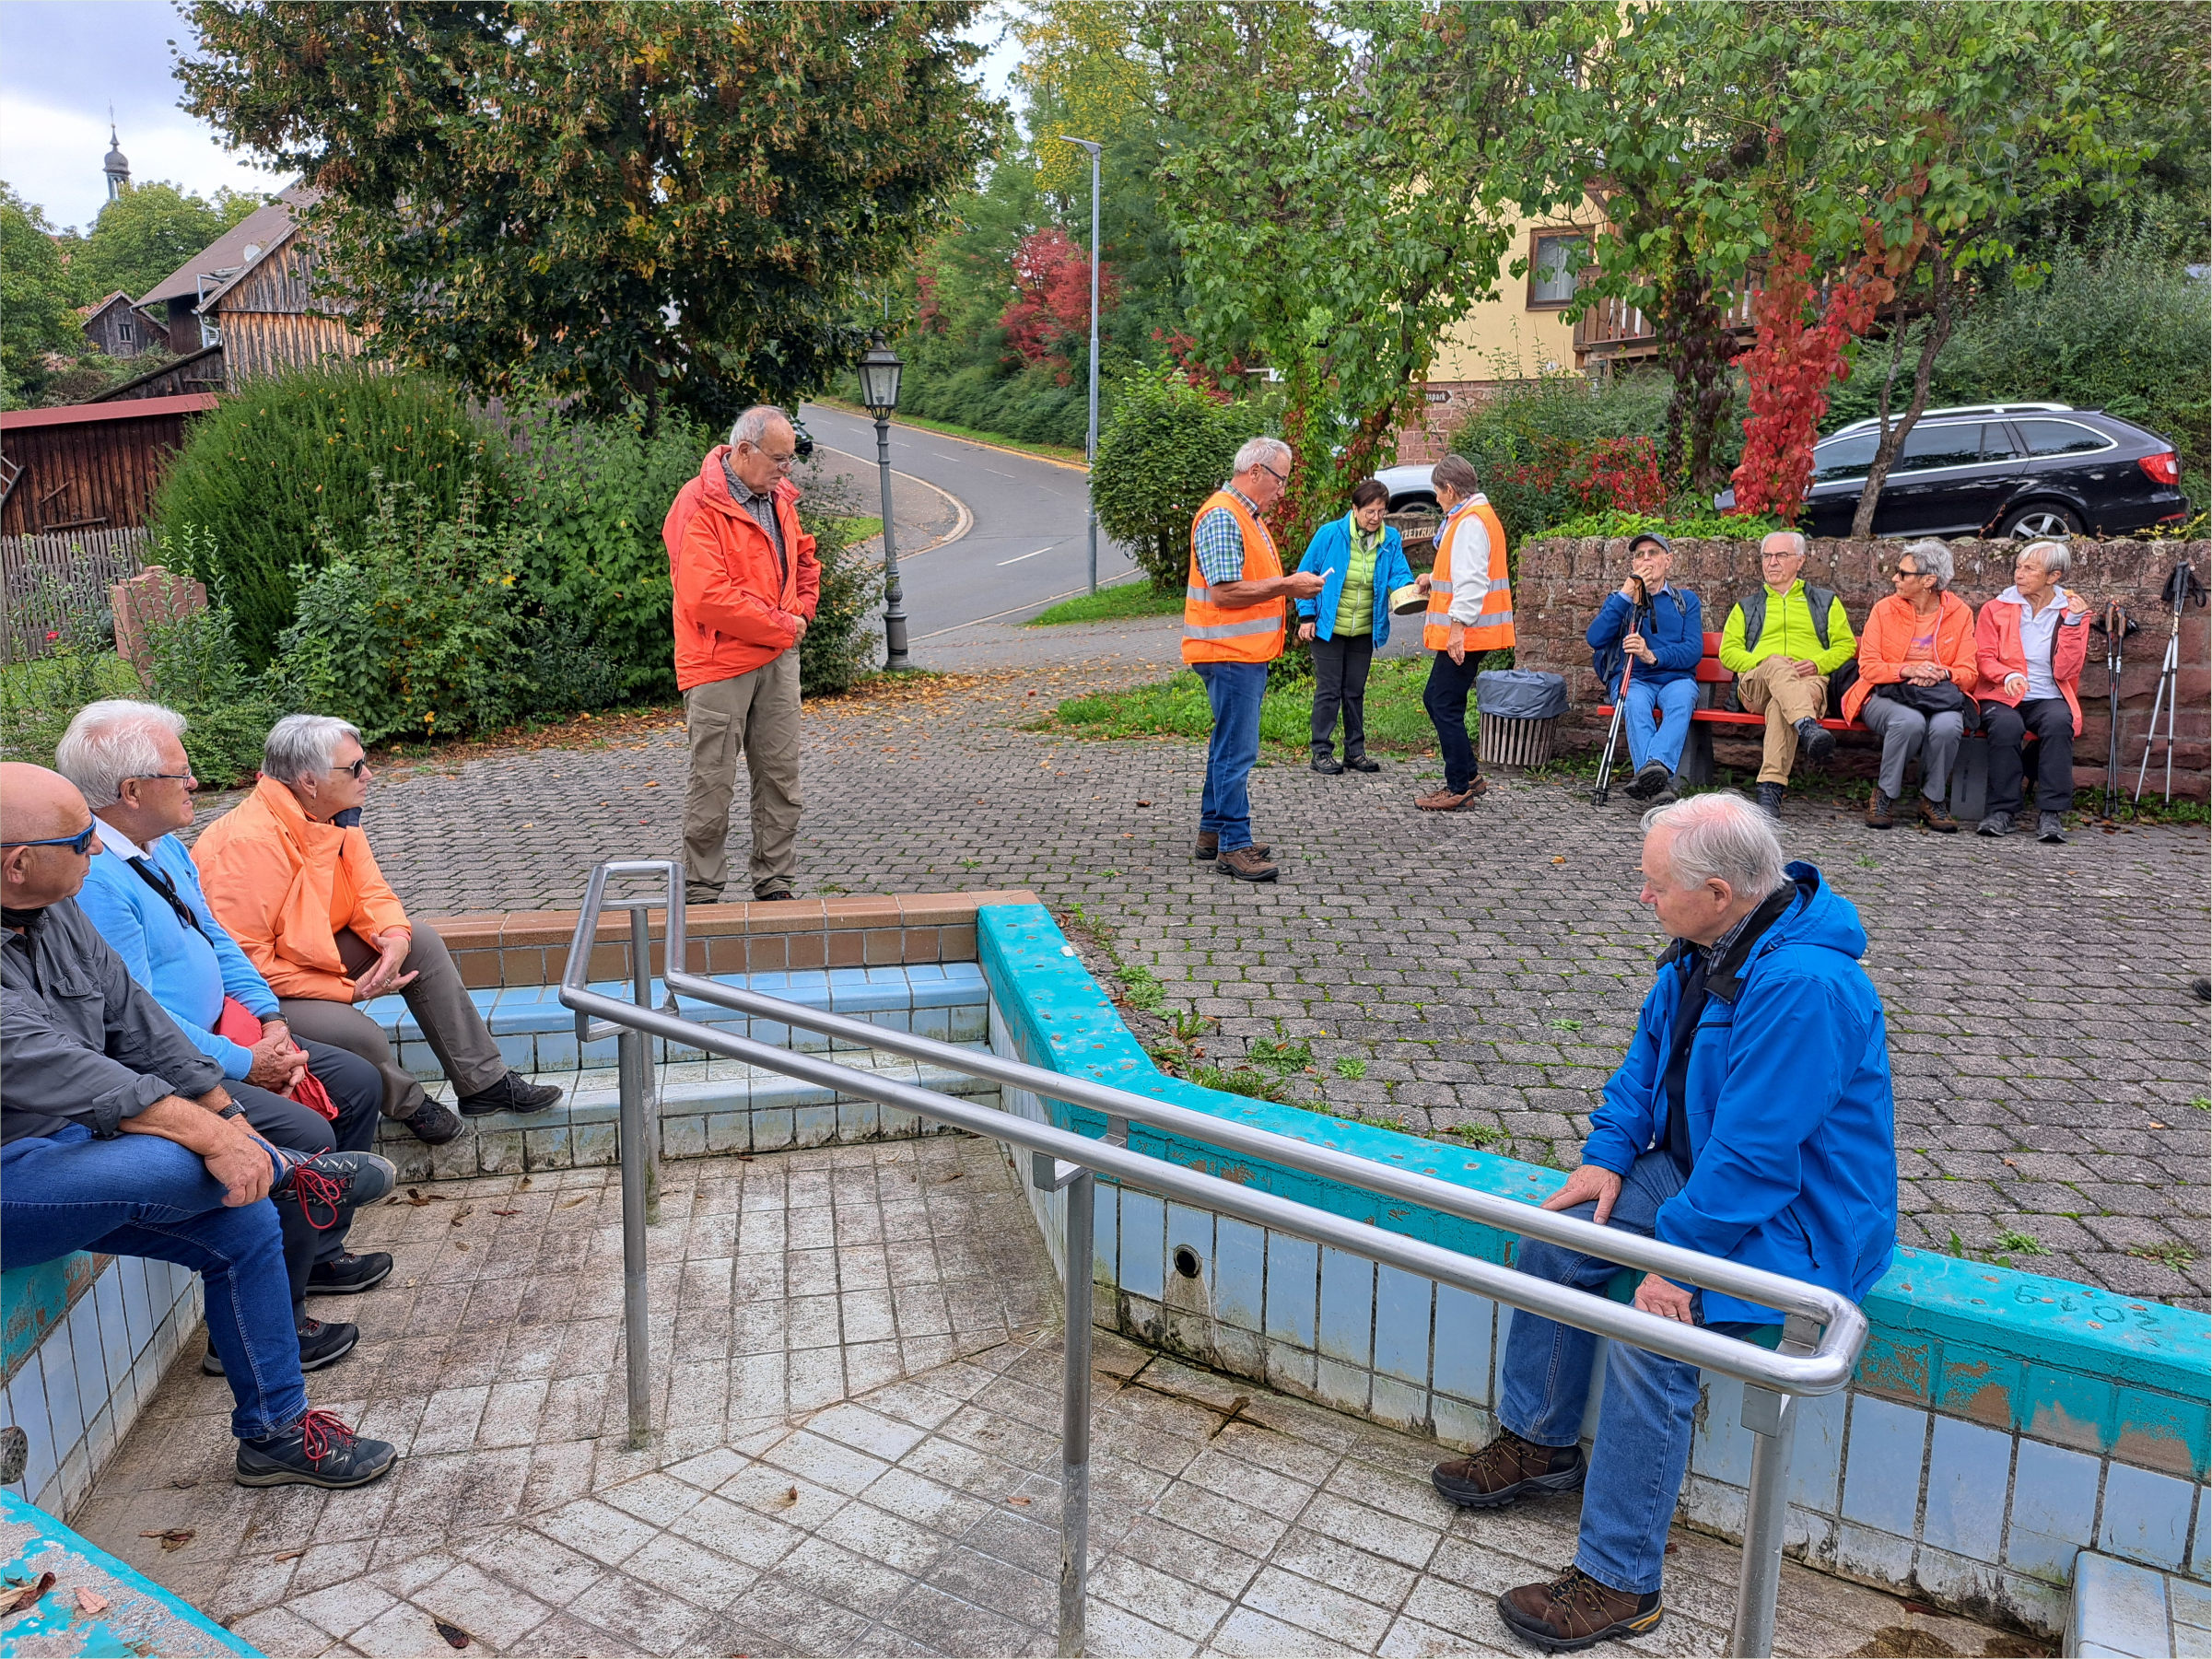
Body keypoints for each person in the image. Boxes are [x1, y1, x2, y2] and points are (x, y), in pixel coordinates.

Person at [1429, 792, 1896, 1651]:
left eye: (1654, 885)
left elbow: (1758, 1158)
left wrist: (1674, 1262)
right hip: (1699, 1173)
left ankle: (1619, 1580)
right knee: (1559, 1238)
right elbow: (1646, 1061)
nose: (1643, 897)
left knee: (1653, 1334)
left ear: (1717, 891)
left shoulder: (1803, 985)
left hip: (1798, 1218)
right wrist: (1607, 1154)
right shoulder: (1709, 943)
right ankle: (1539, 1443)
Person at [0, 762, 399, 1490]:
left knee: (244, 1221)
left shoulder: (54, 909)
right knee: (177, 1161)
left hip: (75, 1150)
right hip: (13, 1174)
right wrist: (220, 1141)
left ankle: (275, 1432)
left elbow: (137, 1022)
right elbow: (64, 1069)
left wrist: (230, 1117)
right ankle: (295, 1174)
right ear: (18, 863)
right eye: (82, 839)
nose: (98, 847)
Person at [61, 701, 393, 1373]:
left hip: (228, 1036)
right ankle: (258, 1330)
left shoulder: (163, 845)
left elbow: (215, 937)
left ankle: (318, 1256)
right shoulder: (98, 882)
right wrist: (245, 1061)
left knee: (357, 1083)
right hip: (170, 1067)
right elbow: (140, 1018)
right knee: (305, 1132)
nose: (195, 782)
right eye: (180, 773)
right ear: (131, 792)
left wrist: (271, 1020)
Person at [192, 715, 562, 1141]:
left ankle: (484, 1083)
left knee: (421, 941)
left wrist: (395, 937)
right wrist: (349, 991)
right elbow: (246, 966)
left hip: (310, 952)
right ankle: (409, 1103)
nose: (368, 774)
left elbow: (371, 892)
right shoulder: (245, 845)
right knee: (362, 1036)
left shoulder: (333, 815)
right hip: (259, 990)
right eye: (355, 767)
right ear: (309, 781)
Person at [666, 404, 821, 905]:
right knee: (712, 782)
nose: (786, 469)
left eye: (790, 458)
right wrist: (785, 626)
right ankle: (701, 891)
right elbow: (706, 597)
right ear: (745, 450)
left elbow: (805, 560)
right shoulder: (697, 503)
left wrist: (803, 610)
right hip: (718, 664)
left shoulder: (779, 499)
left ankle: (775, 883)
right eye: (779, 459)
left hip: (777, 659)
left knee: (781, 777)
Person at [1184, 436, 1327, 882]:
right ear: (1256, 472)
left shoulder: (1243, 514)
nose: (1283, 490)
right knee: (1237, 750)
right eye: (1280, 480)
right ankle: (1234, 845)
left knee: (1227, 744)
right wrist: (1288, 586)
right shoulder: (1224, 515)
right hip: (1229, 653)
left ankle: (1213, 832)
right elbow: (1225, 593)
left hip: (1237, 652)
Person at [1718, 532, 1857, 819]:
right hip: (1757, 684)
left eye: (1781, 555)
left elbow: (1846, 645)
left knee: (1781, 706)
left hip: (1807, 684)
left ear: (1800, 560)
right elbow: (1728, 652)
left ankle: (1770, 789)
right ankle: (1807, 726)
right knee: (1777, 667)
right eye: (1767, 556)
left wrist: (1817, 664)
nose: (1772, 562)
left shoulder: (1826, 602)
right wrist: (1765, 661)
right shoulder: (1746, 607)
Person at [1843, 539, 1979, 832]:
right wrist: (1907, 669)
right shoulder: (1884, 609)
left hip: (1939, 695)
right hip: (1886, 693)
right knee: (1908, 722)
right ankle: (1885, 795)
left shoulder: (1960, 613)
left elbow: (1969, 673)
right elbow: (1869, 667)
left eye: (1903, 573)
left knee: (1948, 727)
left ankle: (1932, 799)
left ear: (1928, 581)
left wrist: (1941, 673)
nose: (1895, 578)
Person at [1294, 478, 1417, 776]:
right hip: (1328, 627)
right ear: (1354, 509)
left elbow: (1399, 574)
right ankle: (1321, 751)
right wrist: (1307, 616)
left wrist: (1409, 589)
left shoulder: (1390, 540)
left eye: (1381, 511)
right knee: (1329, 690)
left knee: (1354, 691)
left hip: (1364, 628)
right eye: (1369, 512)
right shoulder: (1330, 534)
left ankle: (1355, 752)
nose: (1376, 518)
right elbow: (1305, 575)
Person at [1415, 454, 1515, 812]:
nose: (1436, 498)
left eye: (1437, 491)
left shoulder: (1469, 522)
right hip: (1475, 630)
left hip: (1468, 631)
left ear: (1450, 489)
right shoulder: (1473, 516)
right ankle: (1469, 776)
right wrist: (1433, 578)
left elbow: (1473, 581)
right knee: (1446, 701)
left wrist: (1457, 628)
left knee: (1440, 701)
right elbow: (1464, 570)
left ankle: (1459, 788)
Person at [1976, 539, 2093, 844]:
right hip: (2001, 693)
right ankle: (2002, 811)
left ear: (2054, 576)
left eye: (2030, 568)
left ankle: (2051, 813)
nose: (2019, 574)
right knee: (2006, 725)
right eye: (2018, 566)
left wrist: (2073, 624)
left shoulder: (2071, 611)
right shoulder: (1996, 608)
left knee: (2059, 722)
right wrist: (2008, 674)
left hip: (2047, 695)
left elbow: (2067, 670)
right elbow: (1983, 657)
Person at [1584, 532, 1703, 804]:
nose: (1646, 560)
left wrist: (1652, 655)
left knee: (1682, 699)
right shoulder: (1620, 600)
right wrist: (1626, 594)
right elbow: (1595, 638)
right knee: (1635, 703)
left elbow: (1693, 650)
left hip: (1675, 678)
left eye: (1653, 553)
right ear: (1633, 564)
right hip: (1633, 678)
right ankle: (1659, 785)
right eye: (1640, 555)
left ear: (1668, 560)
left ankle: (1651, 774)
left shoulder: (1686, 601)